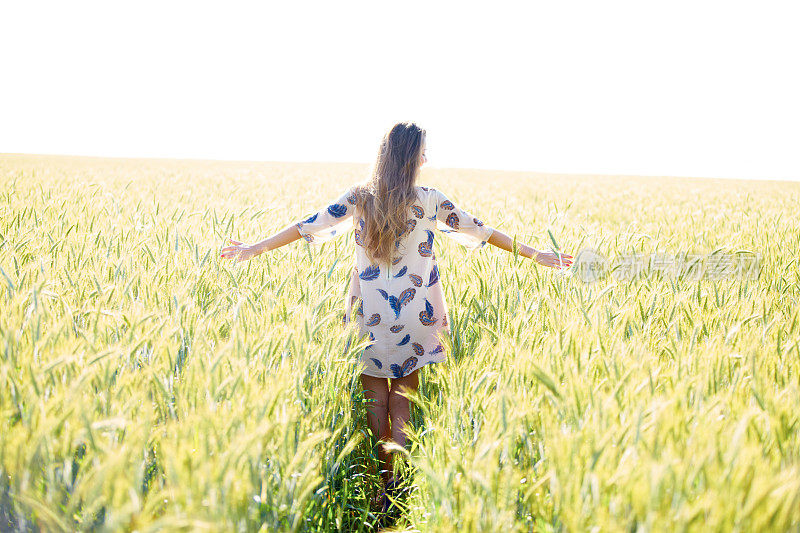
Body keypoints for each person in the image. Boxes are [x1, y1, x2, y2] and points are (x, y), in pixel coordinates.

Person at [220, 121, 573, 513]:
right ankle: (396, 488)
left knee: (375, 399)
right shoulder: (431, 199)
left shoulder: (361, 197)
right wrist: (536, 254)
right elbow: (483, 232)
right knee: (403, 399)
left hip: (369, 313)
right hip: (415, 316)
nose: (427, 157)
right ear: (412, 156)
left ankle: (377, 479)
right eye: (424, 150)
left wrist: (256, 247)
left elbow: (308, 225)